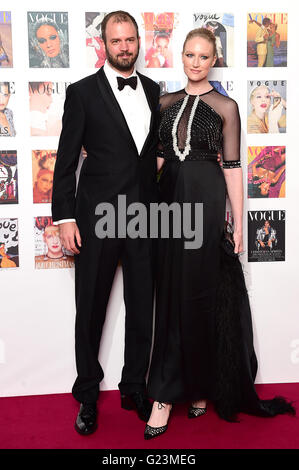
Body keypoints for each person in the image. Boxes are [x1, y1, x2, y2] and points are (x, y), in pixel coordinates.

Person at [144, 27, 295, 439]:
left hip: (207, 205)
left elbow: (231, 169)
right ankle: (166, 392)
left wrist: (239, 222)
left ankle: (198, 386)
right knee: (171, 293)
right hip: (169, 206)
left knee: (200, 294)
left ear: (214, 60)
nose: (196, 62)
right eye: (190, 55)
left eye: (204, 56)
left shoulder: (227, 107)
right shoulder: (164, 103)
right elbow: (157, 159)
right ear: (183, 57)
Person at [51, 11, 160, 435]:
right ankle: (88, 395)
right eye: (116, 41)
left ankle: (135, 385)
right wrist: (64, 217)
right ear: (104, 44)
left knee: (141, 306)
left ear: (139, 41)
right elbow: (64, 163)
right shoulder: (81, 94)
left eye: (130, 39)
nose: (125, 47)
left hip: (146, 216)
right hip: (95, 217)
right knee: (91, 308)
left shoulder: (153, 91)